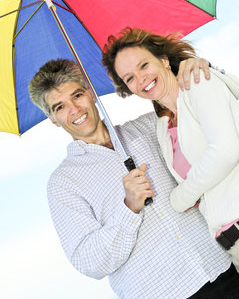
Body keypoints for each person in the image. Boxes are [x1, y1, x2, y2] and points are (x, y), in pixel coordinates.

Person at [28, 59, 239, 299]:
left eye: (77, 95)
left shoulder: (150, 126)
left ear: (90, 93)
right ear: (53, 120)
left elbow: (209, 122)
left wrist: (195, 65)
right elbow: (90, 262)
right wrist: (130, 208)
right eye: (60, 107)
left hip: (223, 270)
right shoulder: (63, 184)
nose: (74, 109)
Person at [102, 27, 239, 273]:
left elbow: (226, 151)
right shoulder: (164, 127)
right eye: (129, 78)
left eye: (144, 65)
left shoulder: (198, 83)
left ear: (164, 60)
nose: (140, 79)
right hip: (231, 244)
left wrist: (180, 198)